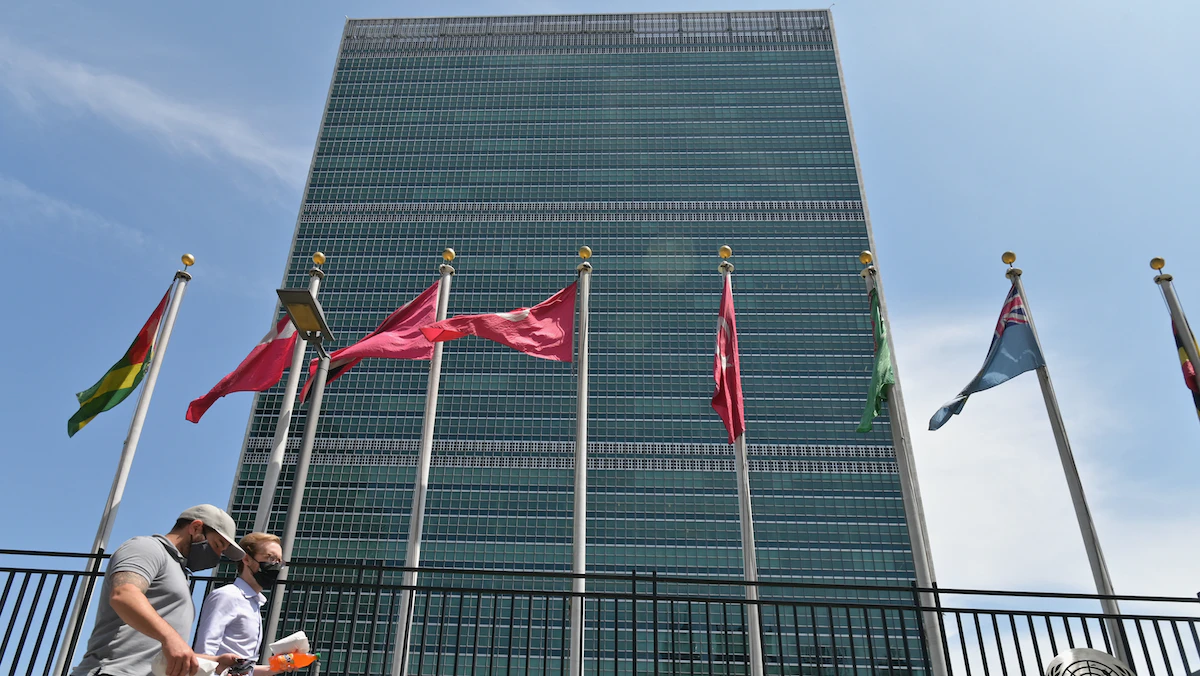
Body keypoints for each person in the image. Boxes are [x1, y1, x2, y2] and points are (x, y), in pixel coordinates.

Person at [72, 505, 247, 676]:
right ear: (195, 528)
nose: (217, 556)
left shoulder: (180, 572)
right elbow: (124, 594)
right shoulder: (146, 547)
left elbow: (157, 648)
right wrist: (170, 637)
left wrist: (214, 662)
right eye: (217, 545)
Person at [192, 533, 283, 674]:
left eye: (279, 561)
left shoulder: (254, 603)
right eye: (270, 558)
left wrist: (276, 667)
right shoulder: (227, 596)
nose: (275, 565)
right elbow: (205, 653)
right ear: (246, 559)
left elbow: (244, 669)